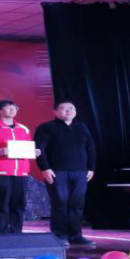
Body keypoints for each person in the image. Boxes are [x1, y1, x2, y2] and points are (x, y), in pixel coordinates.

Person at [35, 101, 97, 248]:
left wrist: (91, 168)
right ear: (55, 112)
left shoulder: (82, 127)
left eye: (71, 108)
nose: (68, 111)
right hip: (57, 172)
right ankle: (59, 235)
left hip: (80, 172)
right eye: (63, 109)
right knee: (60, 203)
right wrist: (45, 168)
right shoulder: (46, 127)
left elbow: (90, 148)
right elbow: (39, 149)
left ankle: (76, 235)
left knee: (77, 204)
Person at [0, 99, 40, 235]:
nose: (12, 110)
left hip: (21, 172)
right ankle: (1, 234)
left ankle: (16, 233)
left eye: (15, 108)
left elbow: (27, 147)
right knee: (2, 204)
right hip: (0, 171)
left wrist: (33, 151)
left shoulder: (23, 128)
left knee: (19, 204)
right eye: (8, 107)